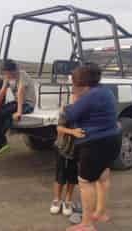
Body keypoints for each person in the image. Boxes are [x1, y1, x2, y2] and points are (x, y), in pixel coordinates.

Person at [65, 63, 122, 231]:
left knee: (85, 182)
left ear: (83, 83)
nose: (73, 85)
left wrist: (73, 97)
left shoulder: (90, 95)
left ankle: (87, 224)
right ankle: (101, 212)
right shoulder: (105, 91)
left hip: (95, 143)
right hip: (112, 139)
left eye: (74, 82)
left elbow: (71, 114)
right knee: (102, 177)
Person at [0, 59, 36, 155]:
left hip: (27, 104)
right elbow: (2, 92)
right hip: (17, 102)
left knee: (7, 115)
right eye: (4, 72)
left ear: (12, 71)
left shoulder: (22, 75)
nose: (5, 75)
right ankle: (1, 142)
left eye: (6, 72)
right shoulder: (7, 77)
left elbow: (21, 91)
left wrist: (19, 112)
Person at [50, 86, 86, 217]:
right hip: (62, 148)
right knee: (60, 176)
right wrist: (73, 132)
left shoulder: (86, 112)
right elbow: (59, 128)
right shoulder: (66, 109)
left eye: (80, 96)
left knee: (72, 177)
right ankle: (56, 200)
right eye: (75, 95)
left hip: (77, 150)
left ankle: (68, 201)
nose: (76, 98)